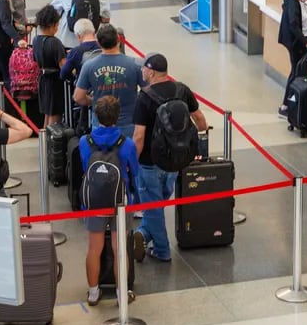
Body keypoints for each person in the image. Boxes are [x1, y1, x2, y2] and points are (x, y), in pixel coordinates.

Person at [131, 53, 208, 262]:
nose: (142, 71)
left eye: (144, 69)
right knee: (157, 202)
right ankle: (144, 233)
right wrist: (202, 139)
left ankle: (162, 250)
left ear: (152, 71)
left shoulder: (144, 97)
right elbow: (199, 118)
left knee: (153, 206)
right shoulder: (181, 89)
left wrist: (131, 163)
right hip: (175, 160)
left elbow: (139, 137)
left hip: (149, 162)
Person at [81, 95, 139, 306]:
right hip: (120, 202)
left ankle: (93, 292)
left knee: (93, 248)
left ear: (96, 116)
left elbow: (85, 165)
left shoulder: (84, 141)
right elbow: (134, 171)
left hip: (94, 202)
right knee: (119, 248)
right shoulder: (127, 143)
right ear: (117, 116)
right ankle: (121, 293)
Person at [74, 24, 145, 137]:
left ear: (98, 42)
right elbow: (147, 91)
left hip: (100, 126)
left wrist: (95, 102)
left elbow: (78, 97)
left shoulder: (89, 66)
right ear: (118, 40)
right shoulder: (135, 64)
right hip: (128, 125)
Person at [33, 5, 67, 127]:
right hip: (55, 83)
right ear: (52, 24)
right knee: (55, 115)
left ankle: (45, 142)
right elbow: (64, 66)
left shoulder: (36, 40)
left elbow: (35, 59)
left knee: (47, 114)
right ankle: (53, 142)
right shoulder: (55, 42)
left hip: (42, 80)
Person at [60, 18, 100, 82]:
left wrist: (74, 74)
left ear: (78, 36)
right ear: (94, 32)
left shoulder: (75, 52)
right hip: (103, 87)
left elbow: (63, 74)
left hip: (84, 89)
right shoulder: (103, 47)